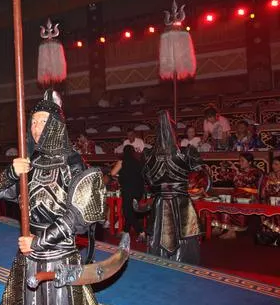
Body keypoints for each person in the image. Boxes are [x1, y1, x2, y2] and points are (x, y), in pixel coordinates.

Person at [0, 89, 109, 305]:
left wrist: (38, 242)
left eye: (42, 121)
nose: (36, 127)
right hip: (29, 259)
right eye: (33, 122)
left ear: (56, 125)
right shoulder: (29, 165)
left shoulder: (73, 163)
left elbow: (78, 218)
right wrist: (11, 172)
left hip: (60, 259)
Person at [142, 111, 204, 264]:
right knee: (182, 233)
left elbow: (147, 179)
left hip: (161, 201)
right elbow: (202, 173)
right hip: (180, 200)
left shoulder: (148, 155)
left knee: (162, 232)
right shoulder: (187, 152)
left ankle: (161, 261)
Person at [213, 152, 262, 239]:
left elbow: (248, 179)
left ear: (250, 162)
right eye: (239, 161)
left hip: (249, 196)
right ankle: (221, 227)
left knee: (236, 204)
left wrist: (235, 169)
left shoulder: (256, 172)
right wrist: (223, 168)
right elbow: (225, 177)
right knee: (223, 202)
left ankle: (232, 231)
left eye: (242, 161)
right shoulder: (239, 171)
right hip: (237, 194)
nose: (240, 163)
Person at [109, 145, 146, 242]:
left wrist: (120, 176)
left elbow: (112, 173)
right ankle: (125, 231)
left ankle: (141, 231)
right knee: (131, 211)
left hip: (128, 190)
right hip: (139, 190)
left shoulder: (122, 161)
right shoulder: (138, 162)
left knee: (127, 212)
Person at [257, 156, 280, 246]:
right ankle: (272, 236)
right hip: (270, 203)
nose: (273, 166)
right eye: (273, 164)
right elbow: (263, 191)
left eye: (276, 164)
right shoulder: (268, 176)